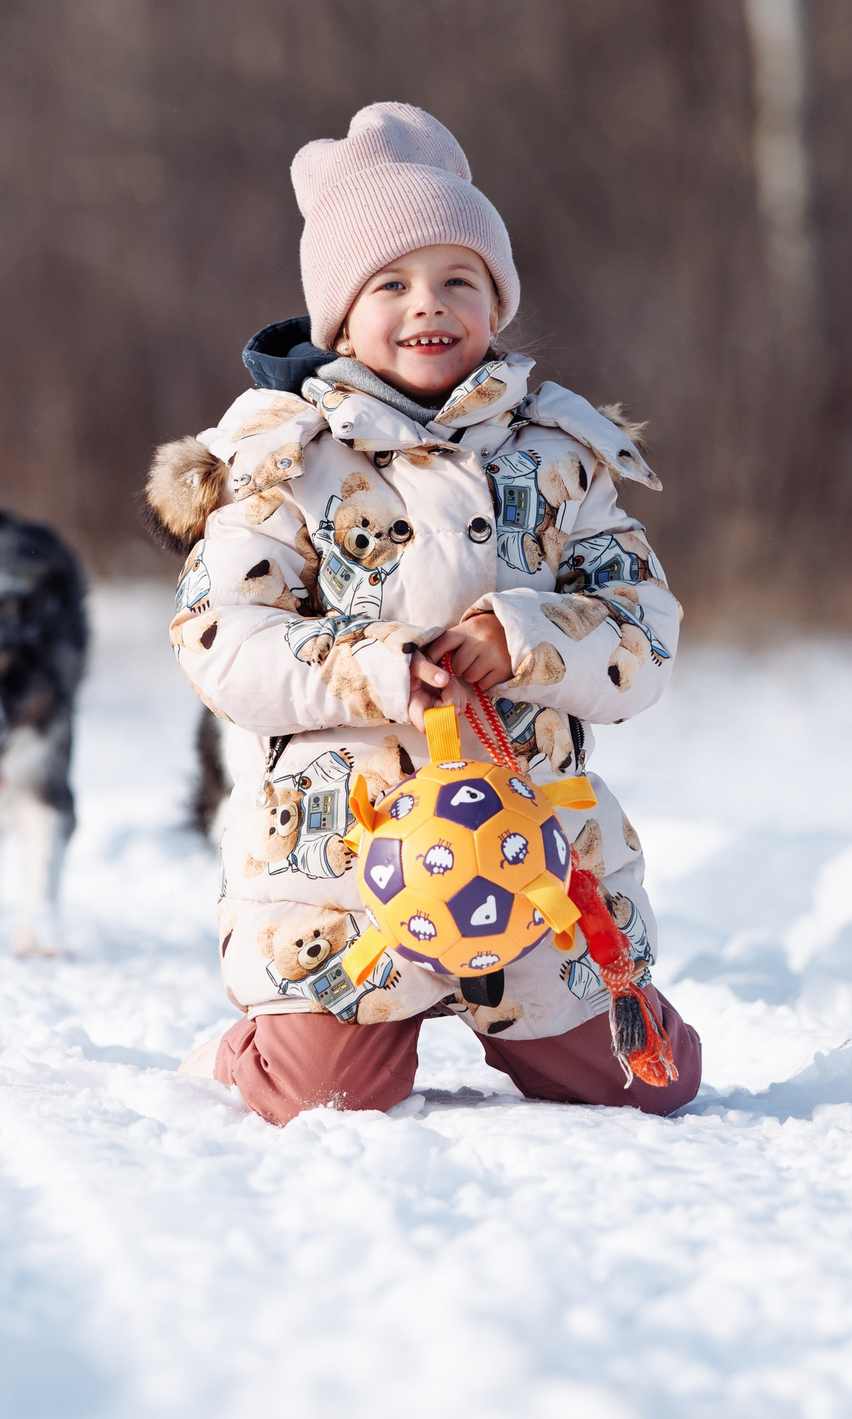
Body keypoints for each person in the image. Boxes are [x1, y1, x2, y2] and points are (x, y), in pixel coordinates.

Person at [148, 101, 700, 1123]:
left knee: (643, 1081)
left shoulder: (558, 454)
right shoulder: (281, 462)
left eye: (460, 280)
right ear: (339, 316)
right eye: (390, 284)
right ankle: (250, 1052)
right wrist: (373, 663)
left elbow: (642, 624)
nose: (427, 305)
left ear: (496, 301)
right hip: (348, 862)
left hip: (532, 846)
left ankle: (542, 1015)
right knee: (318, 1094)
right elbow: (223, 636)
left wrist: (527, 638)